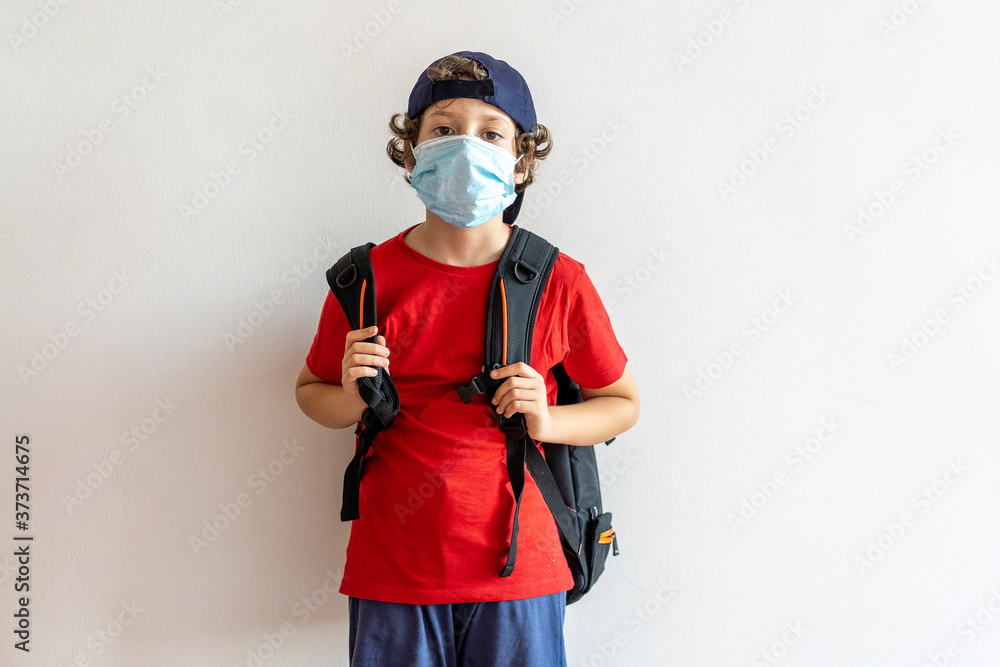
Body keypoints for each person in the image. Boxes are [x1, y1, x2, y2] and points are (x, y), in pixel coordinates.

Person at [294, 50, 640, 667]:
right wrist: (349, 395)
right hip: (394, 571)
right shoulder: (364, 280)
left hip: (522, 572)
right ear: (412, 150)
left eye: (491, 133)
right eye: (444, 129)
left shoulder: (558, 281)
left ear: (522, 159)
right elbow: (310, 391)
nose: (466, 147)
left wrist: (550, 419)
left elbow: (622, 404)